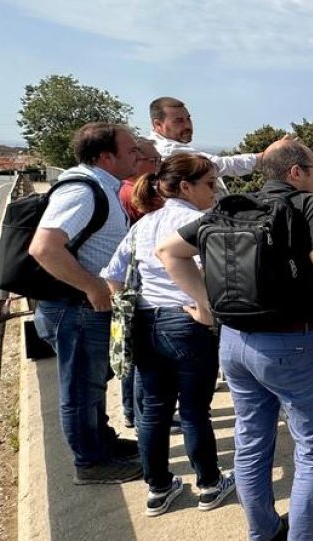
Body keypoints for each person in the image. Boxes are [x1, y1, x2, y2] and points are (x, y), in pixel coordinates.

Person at [158, 140, 313, 541]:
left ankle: (264, 535)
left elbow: (168, 252)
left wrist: (208, 305)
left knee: (251, 443)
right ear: (296, 172)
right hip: (291, 347)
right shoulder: (307, 206)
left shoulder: (229, 206)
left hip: (234, 344)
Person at [101, 153, 237, 516]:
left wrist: (131, 307)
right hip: (189, 321)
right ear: (186, 186)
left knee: (154, 410)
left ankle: (158, 489)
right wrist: (206, 309)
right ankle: (209, 483)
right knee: (194, 410)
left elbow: (112, 275)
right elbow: (221, 274)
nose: (215, 191)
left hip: (146, 323)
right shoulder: (202, 222)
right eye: (210, 184)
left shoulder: (144, 224)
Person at [30, 122, 142, 484]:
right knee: (80, 388)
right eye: (130, 150)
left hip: (82, 307)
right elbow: (44, 247)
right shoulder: (83, 190)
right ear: (105, 156)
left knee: (92, 383)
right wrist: (92, 287)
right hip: (74, 307)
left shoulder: (104, 186)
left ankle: (102, 443)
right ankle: (91, 463)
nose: (137, 155)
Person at [148, 96, 282, 197]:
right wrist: (268, 156)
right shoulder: (168, 149)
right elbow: (219, 165)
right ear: (158, 124)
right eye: (179, 121)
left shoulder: (156, 145)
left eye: (188, 119)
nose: (187, 125)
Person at [118, 138, 162, 430]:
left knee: (134, 361)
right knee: (141, 367)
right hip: (145, 294)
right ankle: (138, 413)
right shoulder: (134, 195)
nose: (159, 167)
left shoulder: (124, 190)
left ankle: (134, 413)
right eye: (154, 161)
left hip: (133, 291)